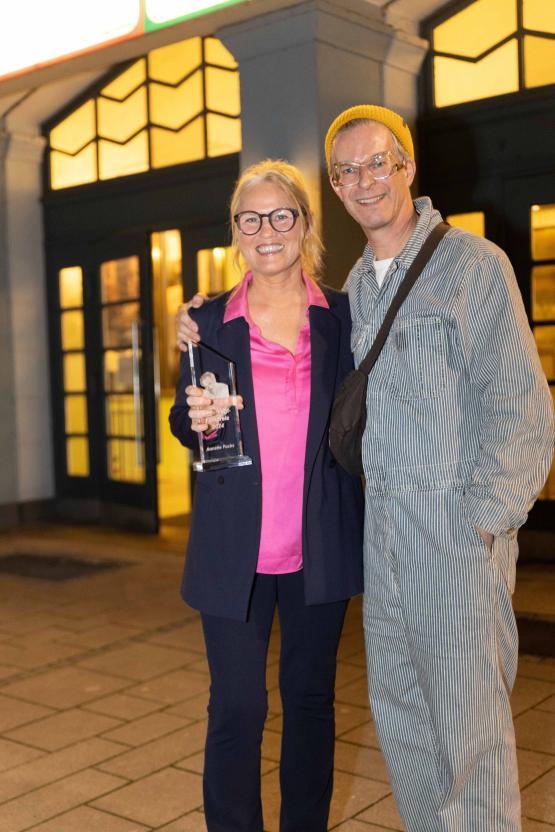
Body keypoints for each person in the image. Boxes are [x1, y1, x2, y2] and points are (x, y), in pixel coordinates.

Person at [175, 107, 554, 830]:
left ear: (407, 168)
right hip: (358, 541)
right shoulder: (333, 295)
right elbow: (198, 413)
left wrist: (484, 522)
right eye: (347, 171)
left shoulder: (444, 275)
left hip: (420, 539)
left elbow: (519, 404)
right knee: (396, 713)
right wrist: (189, 356)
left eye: (377, 163)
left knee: (464, 731)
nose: (364, 180)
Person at [169, 159, 364, 832]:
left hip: (319, 544)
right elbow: (183, 419)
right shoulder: (207, 321)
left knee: (308, 701)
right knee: (237, 707)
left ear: (304, 224)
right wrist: (189, 420)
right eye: (249, 218)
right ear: (236, 231)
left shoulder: (343, 316)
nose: (266, 230)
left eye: (280, 214)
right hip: (233, 550)